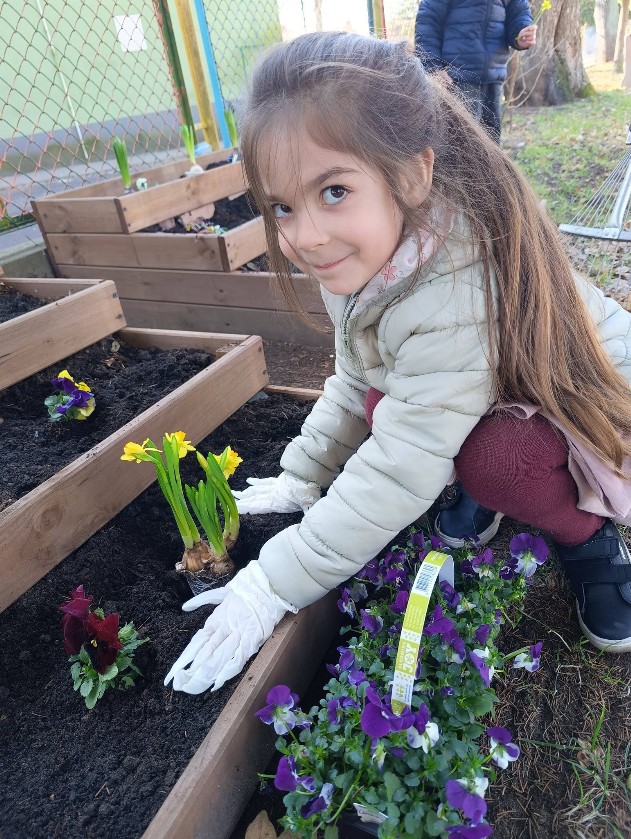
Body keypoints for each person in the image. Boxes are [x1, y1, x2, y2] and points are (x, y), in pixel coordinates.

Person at [164, 31, 631, 695]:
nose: (304, 236)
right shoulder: (365, 252)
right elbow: (357, 374)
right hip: (493, 387)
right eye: (282, 206)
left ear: (412, 175)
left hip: (599, 412)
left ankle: (587, 538)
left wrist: (272, 582)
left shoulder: (455, 286)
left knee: (493, 459)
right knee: (386, 400)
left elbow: (400, 467)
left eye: (333, 191)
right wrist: (302, 476)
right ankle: (489, 493)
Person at [415, 0, 537, 140]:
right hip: (455, 78)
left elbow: (518, 12)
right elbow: (428, 20)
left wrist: (521, 31)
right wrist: (432, 67)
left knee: (491, 143)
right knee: (461, 143)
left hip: (493, 77)